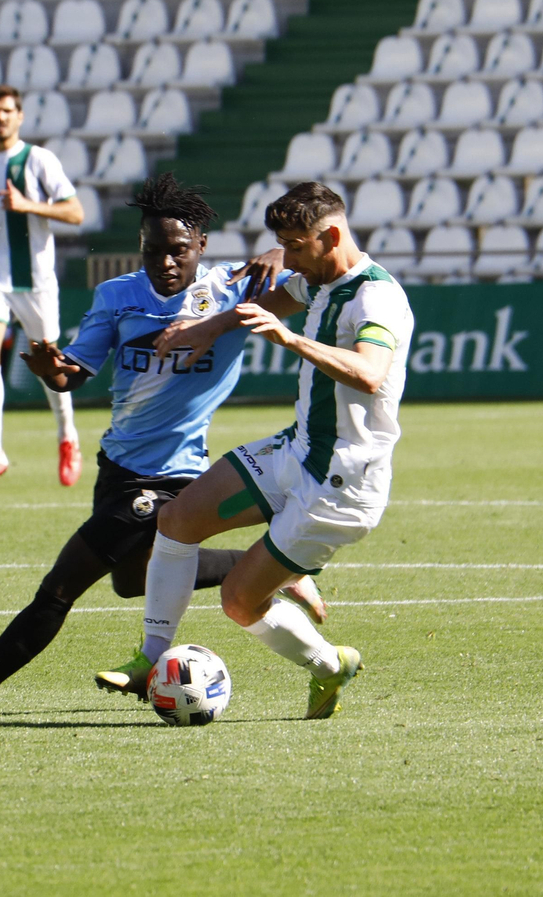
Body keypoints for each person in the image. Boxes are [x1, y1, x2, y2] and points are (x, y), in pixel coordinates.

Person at [0, 173, 319, 724]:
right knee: (129, 580)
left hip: (170, 478)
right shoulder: (116, 297)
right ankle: (273, 568)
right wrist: (53, 370)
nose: (165, 263)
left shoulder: (235, 292)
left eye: (179, 251)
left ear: (202, 248)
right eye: (153, 251)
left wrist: (276, 251)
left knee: (59, 588)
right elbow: (74, 373)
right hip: (116, 468)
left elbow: (318, 270)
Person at [95, 182, 414, 720]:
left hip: (341, 484)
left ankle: (329, 663)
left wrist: (288, 340)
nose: (287, 259)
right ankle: (150, 660)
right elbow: (278, 298)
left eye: (295, 246)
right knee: (176, 520)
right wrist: (209, 325)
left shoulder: (375, 296)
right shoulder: (320, 277)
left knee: (239, 602)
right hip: (298, 449)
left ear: (330, 235)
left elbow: (369, 373)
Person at [0, 84, 84, 490]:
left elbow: (75, 212)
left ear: (19, 116)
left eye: (7, 111)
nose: (0, 117)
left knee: (48, 362)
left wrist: (28, 205)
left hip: (33, 278)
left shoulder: (39, 160)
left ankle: (68, 437)